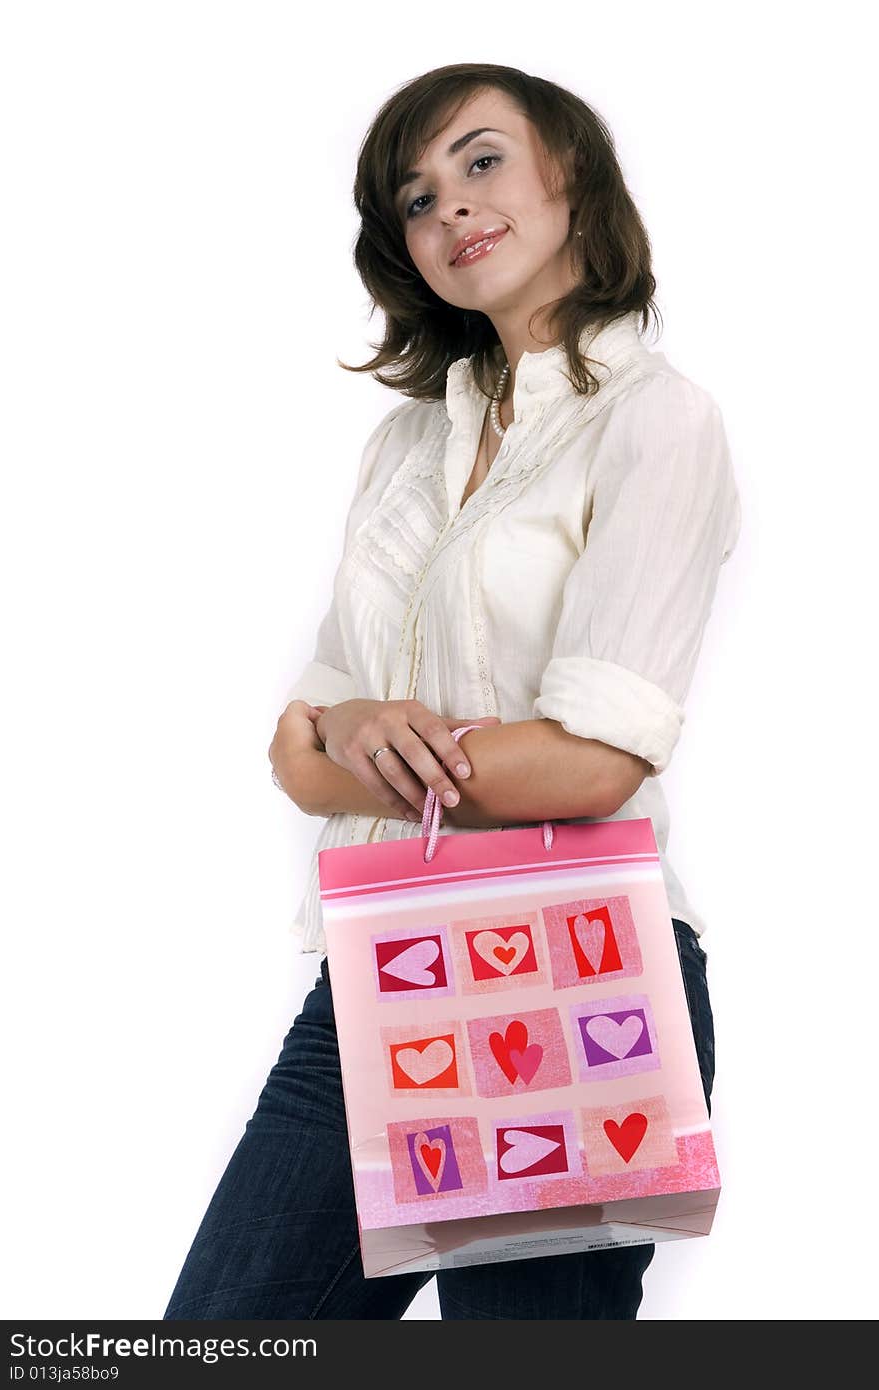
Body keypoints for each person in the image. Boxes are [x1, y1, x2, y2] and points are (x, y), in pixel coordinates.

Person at [163, 63, 738, 1321]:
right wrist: (358, 723)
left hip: (579, 975)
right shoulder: (405, 444)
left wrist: (352, 741)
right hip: (380, 971)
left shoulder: (656, 422)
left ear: (568, 171)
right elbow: (298, 739)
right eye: (415, 199)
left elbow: (597, 764)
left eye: (481, 162)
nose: (451, 211)